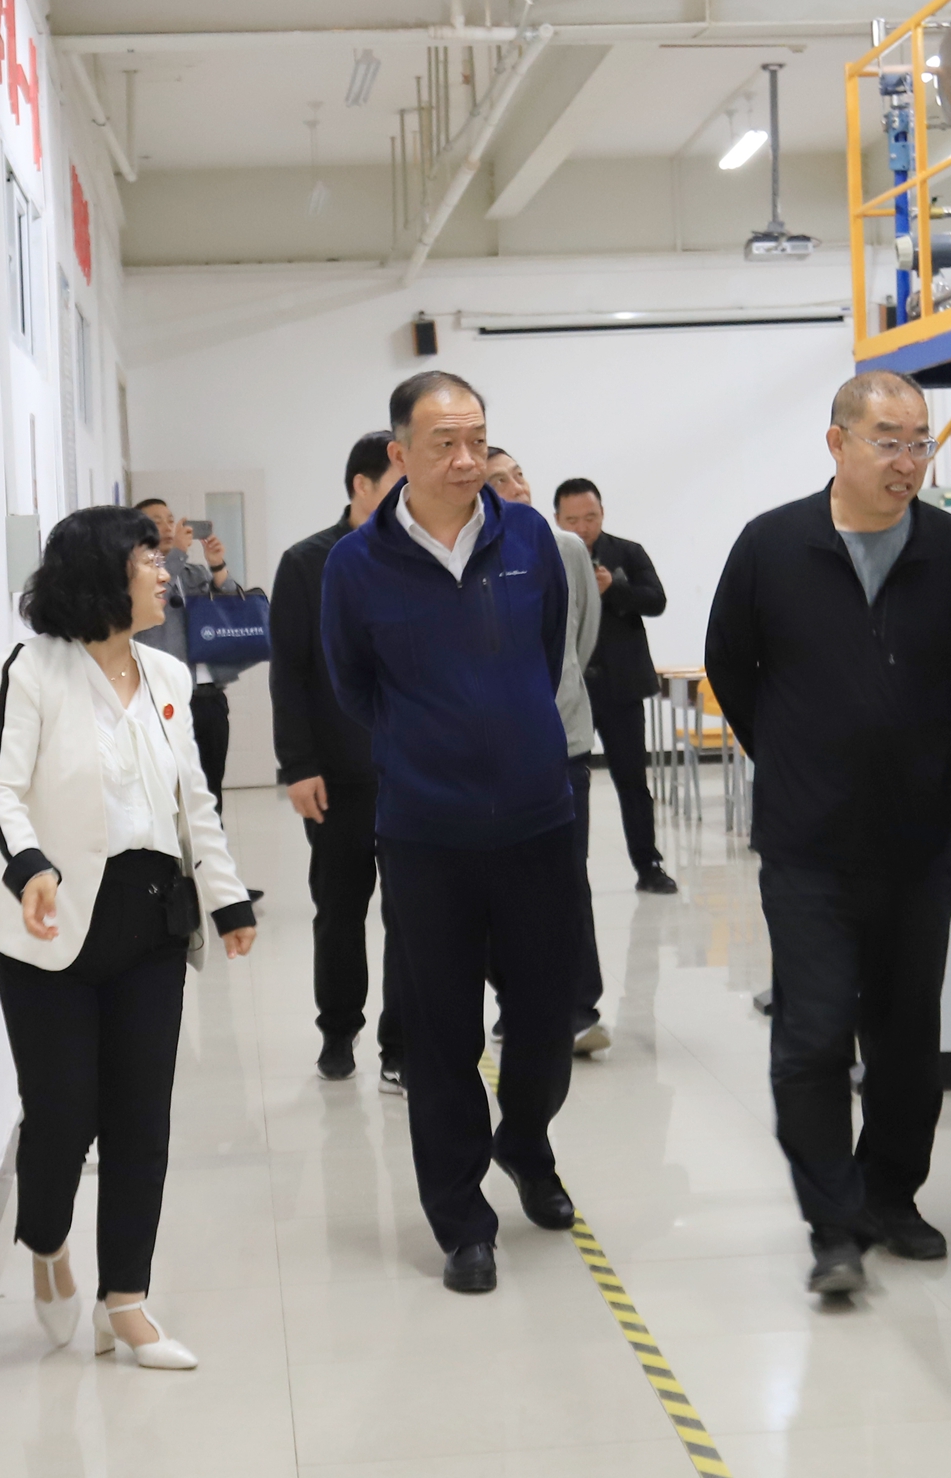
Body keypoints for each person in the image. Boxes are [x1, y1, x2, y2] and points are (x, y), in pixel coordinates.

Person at [702, 371, 951, 1298]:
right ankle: (833, 1225)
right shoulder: (772, 546)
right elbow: (729, 665)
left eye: (919, 442)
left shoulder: (949, 549)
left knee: (908, 1042)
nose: (907, 461)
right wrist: (789, 756)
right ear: (838, 443)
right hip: (808, 846)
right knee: (814, 1038)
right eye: (888, 441)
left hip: (916, 845)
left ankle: (890, 1197)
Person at [0, 504, 260, 1367]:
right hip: (52, 922)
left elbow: (193, 800)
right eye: (148, 558)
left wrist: (228, 899)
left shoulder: (167, 673)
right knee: (63, 1115)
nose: (166, 571)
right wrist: (29, 868)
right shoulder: (32, 670)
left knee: (141, 1120)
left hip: (151, 920)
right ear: (103, 573)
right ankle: (47, 1239)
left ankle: (125, 1302)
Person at [321, 372, 586, 1295]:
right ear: (400, 454)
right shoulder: (355, 567)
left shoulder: (529, 540)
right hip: (426, 833)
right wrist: (426, 746)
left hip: (538, 821)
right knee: (439, 1034)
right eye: (444, 443)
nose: (467, 459)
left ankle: (526, 1142)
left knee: (547, 1018)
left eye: (477, 439)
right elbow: (354, 685)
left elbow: (547, 651)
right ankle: (462, 1219)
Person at [271, 431, 408, 1094]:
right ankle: (338, 1028)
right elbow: (290, 671)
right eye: (399, 484)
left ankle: (400, 1044)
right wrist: (297, 764)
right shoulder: (308, 563)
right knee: (339, 909)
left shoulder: (417, 556)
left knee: (410, 915)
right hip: (337, 775)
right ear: (362, 485)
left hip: (412, 773)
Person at [487, 447, 610, 1057]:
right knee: (500, 885)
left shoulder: (564, 547)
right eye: (499, 480)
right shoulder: (471, 556)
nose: (517, 485)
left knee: (565, 878)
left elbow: (580, 635)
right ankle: (518, 1004)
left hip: (561, 740)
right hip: (490, 750)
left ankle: (578, 1009)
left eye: (518, 474)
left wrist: (552, 697)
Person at [552, 479, 677, 895]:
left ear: (602, 514)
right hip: (570, 692)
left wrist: (615, 589)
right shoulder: (548, 556)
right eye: (573, 520)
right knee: (570, 784)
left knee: (632, 780)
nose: (583, 527)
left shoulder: (628, 552)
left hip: (621, 687)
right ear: (557, 519)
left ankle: (648, 865)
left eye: (590, 518)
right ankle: (572, 871)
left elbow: (656, 600)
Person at [134, 498, 237, 816]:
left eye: (170, 519)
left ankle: (210, 846)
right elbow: (155, 594)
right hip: (162, 700)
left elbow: (231, 607)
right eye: (156, 521)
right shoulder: (135, 577)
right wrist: (177, 552)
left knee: (210, 790)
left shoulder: (194, 573)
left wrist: (217, 565)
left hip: (207, 696)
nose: (167, 527)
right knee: (170, 791)